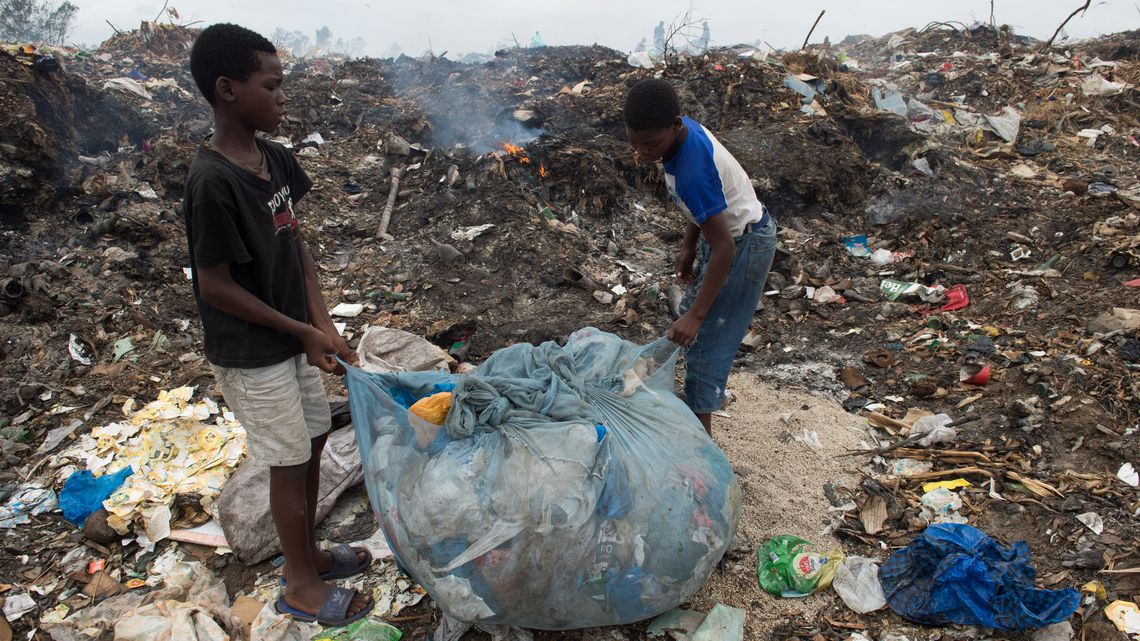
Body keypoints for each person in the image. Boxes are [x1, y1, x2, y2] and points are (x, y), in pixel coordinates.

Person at [185, 24, 373, 627]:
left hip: (292, 338)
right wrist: (300, 332)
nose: (283, 97)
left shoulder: (274, 160)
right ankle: (299, 587)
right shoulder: (212, 182)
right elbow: (214, 284)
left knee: (315, 438)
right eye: (272, 86)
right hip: (250, 351)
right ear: (228, 90)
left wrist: (322, 324)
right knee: (289, 460)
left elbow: (296, 248)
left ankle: (308, 556)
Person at [623, 79, 776, 435]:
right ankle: (697, 414)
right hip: (726, 239)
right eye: (634, 142)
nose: (644, 152)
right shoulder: (679, 134)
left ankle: (701, 455)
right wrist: (689, 245)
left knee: (706, 344)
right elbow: (706, 210)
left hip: (744, 244)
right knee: (695, 336)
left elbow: (725, 247)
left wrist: (696, 314)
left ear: (676, 124)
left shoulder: (690, 170)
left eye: (650, 144)